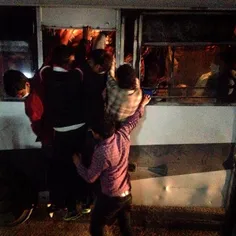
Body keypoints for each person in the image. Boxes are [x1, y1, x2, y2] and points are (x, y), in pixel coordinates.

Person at [72, 94, 151, 236]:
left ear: (97, 135)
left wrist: (78, 164)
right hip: (126, 194)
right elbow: (133, 120)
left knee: (96, 228)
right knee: (126, 229)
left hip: (111, 198)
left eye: (93, 132)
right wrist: (142, 105)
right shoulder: (122, 134)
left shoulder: (102, 152)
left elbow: (90, 177)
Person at [43, 44, 87, 220]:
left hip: (60, 130)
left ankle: (70, 206)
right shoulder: (77, 75)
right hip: (79, 127)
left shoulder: (46, 74)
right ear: (70, 60)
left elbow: (46, 65)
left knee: (65, 168)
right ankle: (83, 203)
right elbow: (80, 67)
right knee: (80, 164)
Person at [3, 67, 53, 147]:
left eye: (21, 94)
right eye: (17, 96)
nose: (19, 97)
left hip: (51, 135)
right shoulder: (39, 78)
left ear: (27, 84)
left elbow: (37, 124)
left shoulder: (31, 102)